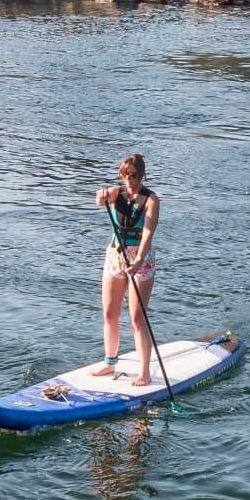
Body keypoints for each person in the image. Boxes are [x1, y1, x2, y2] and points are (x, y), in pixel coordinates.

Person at [96, 153, 161, 384]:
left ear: (142, 175)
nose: (128, 179)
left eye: (132, 175)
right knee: (110, 313)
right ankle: (109, 362)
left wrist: (141, 257)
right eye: (124, 174)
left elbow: (148, 232)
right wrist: (102, 195)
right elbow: (99, 200)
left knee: (136, 317)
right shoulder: (115, 193)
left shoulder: (151, 199)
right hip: (115, 256)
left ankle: (144, 372)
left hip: (140, 260)